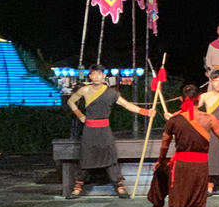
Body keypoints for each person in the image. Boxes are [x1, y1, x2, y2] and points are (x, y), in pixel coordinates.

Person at [153, 84, 219, 207]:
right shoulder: (209, 118)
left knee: (175, 191)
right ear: (199, 98)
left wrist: (160, 161)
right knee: (196, 201)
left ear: (182, 99)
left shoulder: (174, 119)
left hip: (181, 166)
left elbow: (164, 146)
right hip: (200, 166)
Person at [66, 64, 155, 199]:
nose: (96, 77)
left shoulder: (111, 93)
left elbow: (127, 105)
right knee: (86, 157)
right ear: (90, 76)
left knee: (110, 156)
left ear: (103, 76)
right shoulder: (84, 90)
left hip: (104, 130)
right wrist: (80, 116)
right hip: (89, 130)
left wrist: (146, 112)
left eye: (99, 74)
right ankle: (77, 188)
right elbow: (71, 102)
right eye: (93, 74)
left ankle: (120, 187)